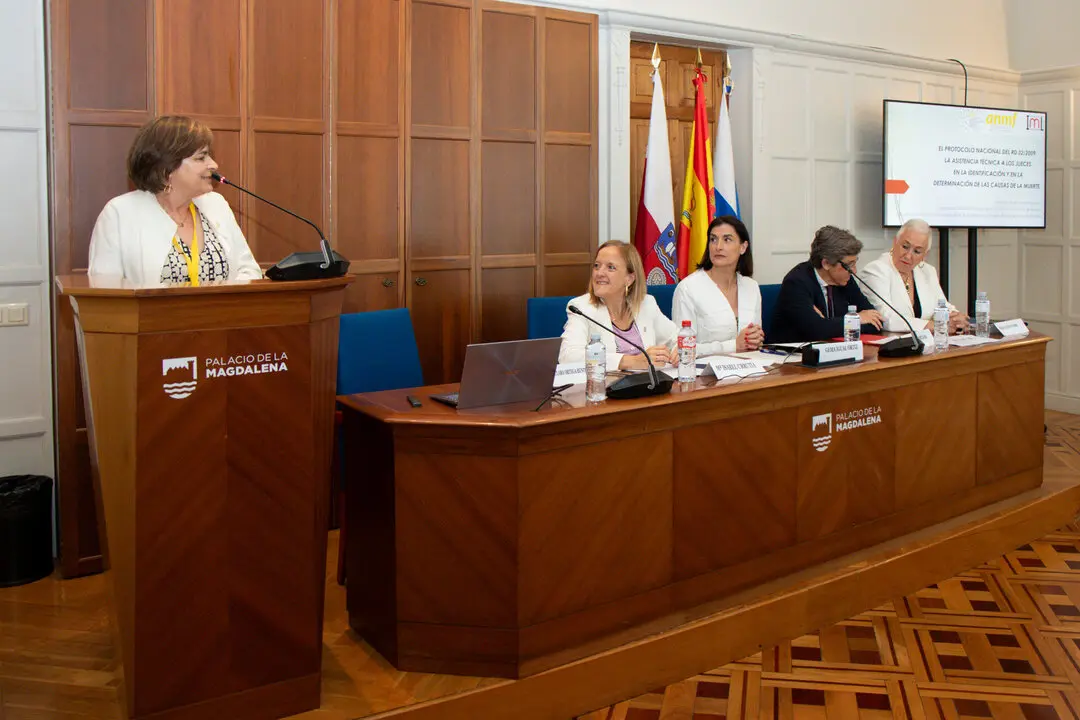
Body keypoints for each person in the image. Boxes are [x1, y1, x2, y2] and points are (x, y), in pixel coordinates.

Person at [88, 115, 262, 285]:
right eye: (201, 158)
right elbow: (104, 288)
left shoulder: (216, 204)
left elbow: (248, 271)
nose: (214, 165)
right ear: (167, 167)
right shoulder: (119, 213)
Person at [559, 240, 678, 370]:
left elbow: (677, 338)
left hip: (649, 382)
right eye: (597, 266)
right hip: (606, 382)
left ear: (629, 279)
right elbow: (568, 357)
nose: (599, 273)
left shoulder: (646, 304)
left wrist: (679, 350)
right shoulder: (581, 308)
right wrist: (629, 361)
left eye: (610, 267)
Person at [770, 225, 883, 343]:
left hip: (835, 349)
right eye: (849, 264)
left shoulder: (845, 279)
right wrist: (857, 319)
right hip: (794, 352)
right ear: (826, 264)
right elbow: (816, 330)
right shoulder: (796, 283)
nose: (854, 271)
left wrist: (829, 325)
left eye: (855, 263)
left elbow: (876, 322)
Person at [671, 215, 763, 356]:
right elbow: (681, 349)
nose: (718, 247)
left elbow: (755, 339)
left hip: (751, 365)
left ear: (743, 247)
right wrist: (733, 346)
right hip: (705, 369)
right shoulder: (688, 288)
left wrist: (755, 339)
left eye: (727, 240)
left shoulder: (752, 287)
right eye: (713, 239)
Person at [859, 218, 967, 334]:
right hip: (892, 341)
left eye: (917, 251)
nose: (908, 256)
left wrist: (956, 319)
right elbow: (885, 317)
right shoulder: (876, 271)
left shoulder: (928, 271)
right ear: (895, 242)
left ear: (925, 255)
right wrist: (931, 325)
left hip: (926, 342)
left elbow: (942, 306)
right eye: (905, 246)